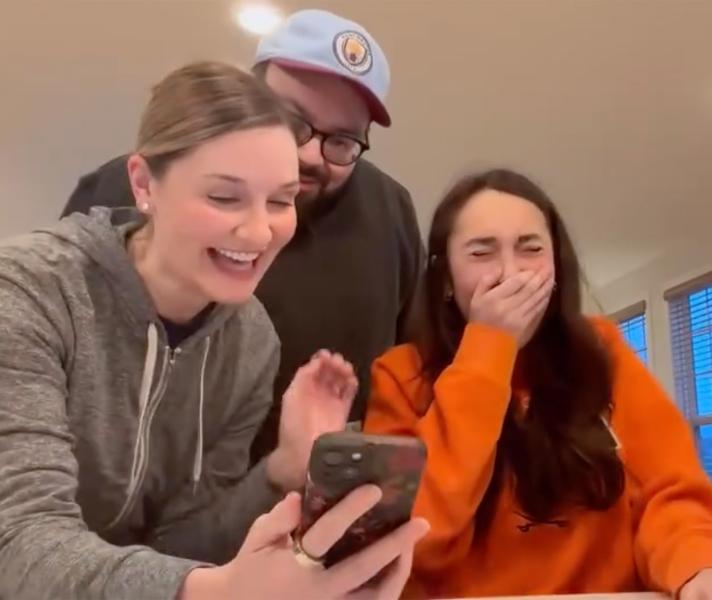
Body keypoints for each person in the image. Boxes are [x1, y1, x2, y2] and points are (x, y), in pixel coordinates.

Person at [0, 61, 427, 600]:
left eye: (280, 201)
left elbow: (181, 540)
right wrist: (220, 591)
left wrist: (283, 470)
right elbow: (17, 543)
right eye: (224, 198)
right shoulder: (29, 291)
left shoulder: (251, 341)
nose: (258, 231)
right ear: (143, 183)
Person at [363, 168, 712, 598]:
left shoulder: (602, 350)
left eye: (530, 249)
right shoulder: (399, 375)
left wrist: (705, 569)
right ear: (444, 278)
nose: (511, 274)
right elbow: (417, 542)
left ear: (556, 267)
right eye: (481, 253)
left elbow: (670, 493)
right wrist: (488, 350)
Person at [60, 9, 425, 459]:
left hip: (293, 502)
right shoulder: (133, 186)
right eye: (292, 122)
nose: (310, 154)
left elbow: (408, 369)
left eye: (343, 141)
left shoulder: (391, 213)